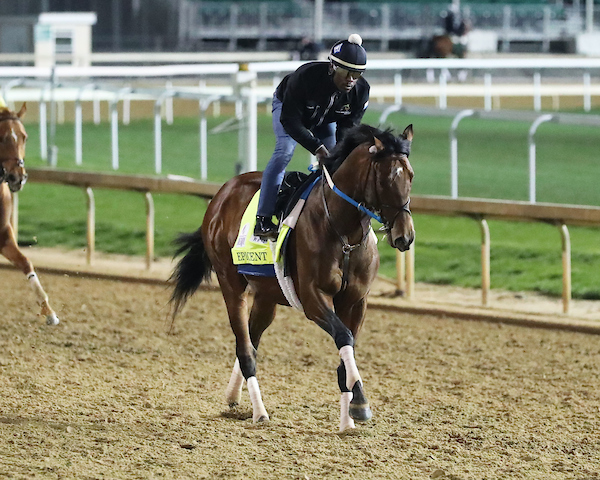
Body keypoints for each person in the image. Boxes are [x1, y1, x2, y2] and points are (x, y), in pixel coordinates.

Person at [254, 33, 370, 241]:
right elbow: (289, 121)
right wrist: (317, 148)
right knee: (284, 152)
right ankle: (262, 220)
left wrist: (336, 154)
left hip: (325, 119)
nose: (351, 80)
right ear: (332, 66)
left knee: (336, 162)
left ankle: (332, 216)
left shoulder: (361, 92)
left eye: (357, 74)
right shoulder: (305, 77)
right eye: (346, 72)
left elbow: (347, 129)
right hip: (290, 111)